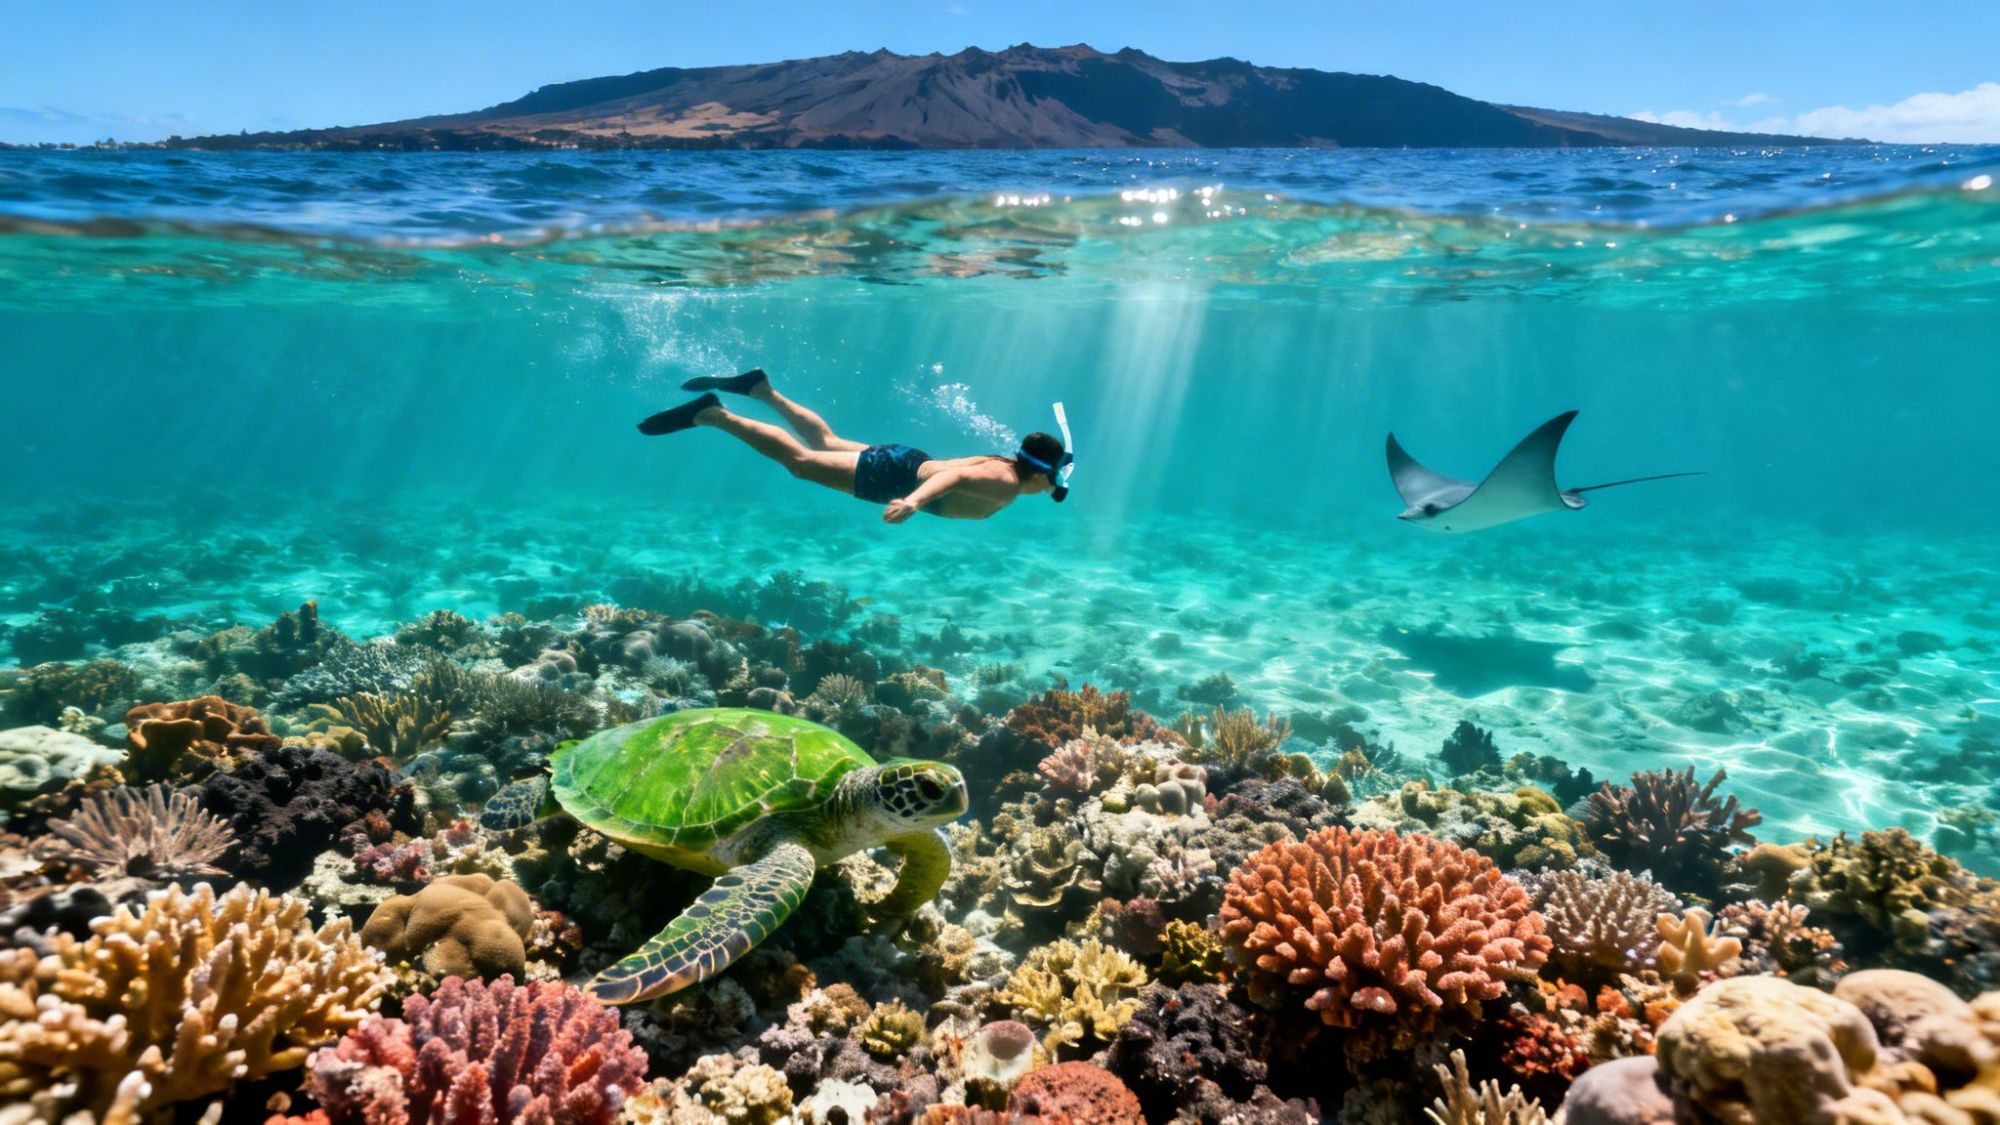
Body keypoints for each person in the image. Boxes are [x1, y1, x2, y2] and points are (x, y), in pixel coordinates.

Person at [638, 369, 1071, 523]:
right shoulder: (1004, 482)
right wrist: (914, 504)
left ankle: (760, 389)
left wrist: (1056, 481)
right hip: (899, 478)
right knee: (802, 462)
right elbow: (954, 476)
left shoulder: (1014, 468)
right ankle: (714, 415)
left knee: (826, 441)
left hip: (907, 459)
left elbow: (1049, 475)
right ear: (1038, 472)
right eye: (1053, 482)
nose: (1053, 489)